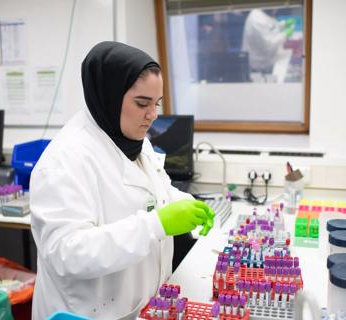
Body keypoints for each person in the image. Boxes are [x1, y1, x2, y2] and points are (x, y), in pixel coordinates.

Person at [30, 41, 215, 319]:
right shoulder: (64, 160)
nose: (152, 115)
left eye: (156, 104)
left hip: (139, 305)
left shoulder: (134, 140)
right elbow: (66, 253)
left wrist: (188, 205)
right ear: (109, 95)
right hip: (87, 312)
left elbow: (158, 190)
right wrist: (156, 224)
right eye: (142, 103)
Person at [241, 9, 295, 74]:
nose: (276, 10)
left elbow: (271, 28)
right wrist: (285, 34)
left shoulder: (264, 13)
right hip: (258, 64)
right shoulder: (257, 18)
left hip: (267, 59)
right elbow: (268, 44)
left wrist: (283, 25)